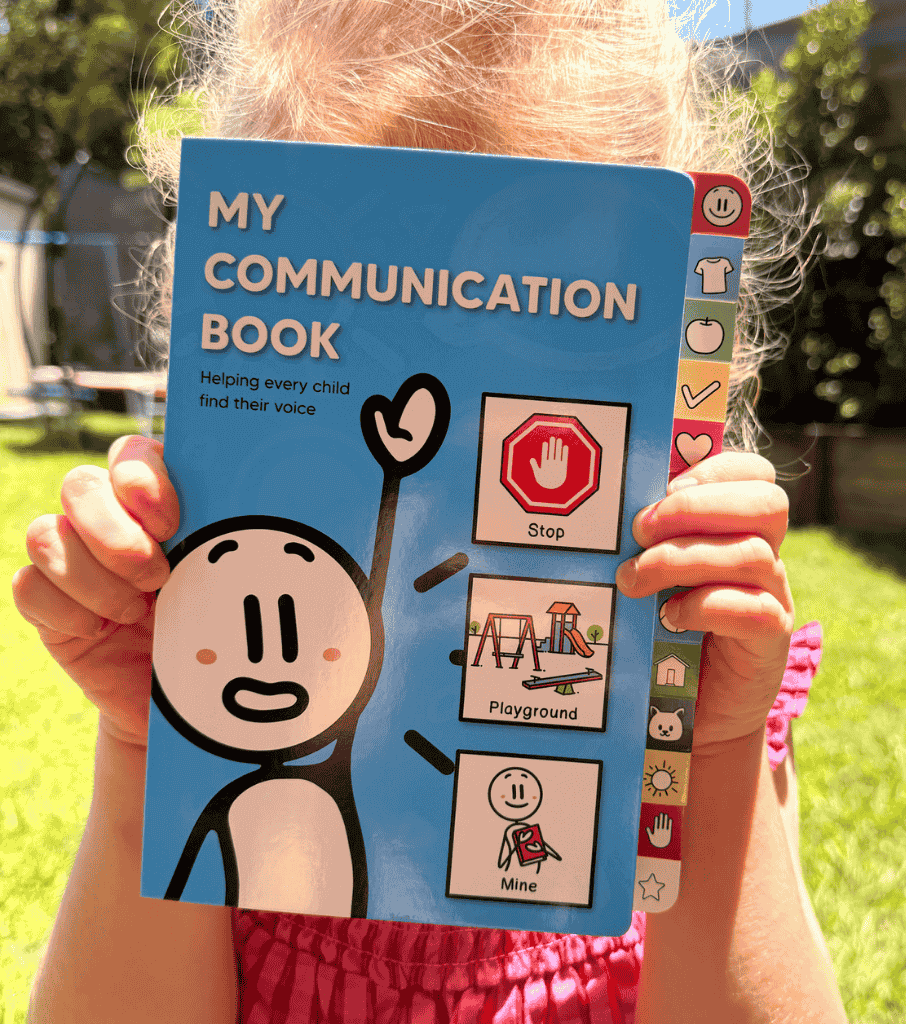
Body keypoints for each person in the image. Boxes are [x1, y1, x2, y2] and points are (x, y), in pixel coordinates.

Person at [12, 0, 849, 1020]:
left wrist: (707, 756)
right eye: (359, 332)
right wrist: (155, 745)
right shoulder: (247, 766)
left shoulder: (704, 702)